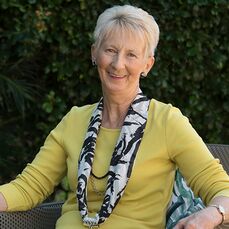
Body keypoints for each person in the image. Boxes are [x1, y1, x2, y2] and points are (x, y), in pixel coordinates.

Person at [0, 4, 229, 229]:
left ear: (147, 65)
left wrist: (211, 214)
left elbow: (222, 190)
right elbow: (29, 186)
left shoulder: (166, 121)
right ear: (94, 53)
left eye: (131, 54)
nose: (118, 64)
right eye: (110, 50)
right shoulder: (74, 120)